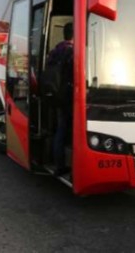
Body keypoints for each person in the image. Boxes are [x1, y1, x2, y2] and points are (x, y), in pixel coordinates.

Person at [46, 23, 74, 176]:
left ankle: (58, 165)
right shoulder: (71, 52)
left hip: (55, 95)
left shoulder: (54, 51)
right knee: (72, 130)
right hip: (69, 97)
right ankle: (73, 168)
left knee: (60, 130)